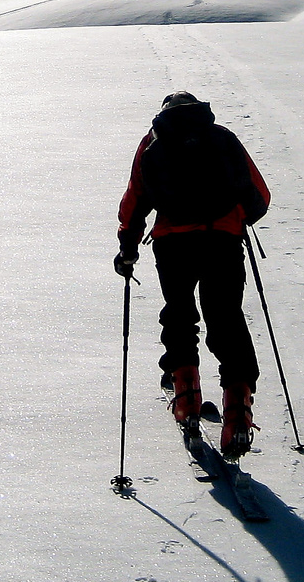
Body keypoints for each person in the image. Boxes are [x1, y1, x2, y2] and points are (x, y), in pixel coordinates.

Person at [115, 91, 271, 459]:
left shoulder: (154, 141)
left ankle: (185, 396)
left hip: (174, 243)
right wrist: (235, 219)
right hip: (223, 239)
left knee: (180, 315)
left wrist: (128, 248)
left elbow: (136, 198)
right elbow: (259, 197)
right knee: (227, 320)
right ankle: (238, 412)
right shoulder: (222, 138)